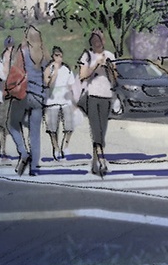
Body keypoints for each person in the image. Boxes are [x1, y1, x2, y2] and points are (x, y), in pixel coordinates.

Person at [77, 30, 118, 178]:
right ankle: (101, 159)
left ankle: (95, 164)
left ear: (103, 41)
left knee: (102, 130)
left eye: (99, 39)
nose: (96, 42)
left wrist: (110, 68)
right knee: (96, 129)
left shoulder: (110, 55)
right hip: (92, 95)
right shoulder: (87, 56)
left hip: (106, 96)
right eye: (94, 40)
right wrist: (95, 66)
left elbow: (115, 79)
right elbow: (82, 75)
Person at [13, 26, 48, 176]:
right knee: (35, 134)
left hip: (25, 94)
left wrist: (23, 42)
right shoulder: (44, 55)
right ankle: (34, 167)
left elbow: (14, 71)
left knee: (12, 123)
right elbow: (48, 79)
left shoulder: (23, 52)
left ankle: (23, 151)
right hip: (39, 97)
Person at [44, 46, 79, 161]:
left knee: (69, 126)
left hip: (65, 101)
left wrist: (73, 101)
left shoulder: (67, 69)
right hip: (52, 102)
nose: (59, 58)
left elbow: (71, 86)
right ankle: (56, 147)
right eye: (56, 56)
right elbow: (47, 84)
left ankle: (65, 146)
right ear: (53, 56)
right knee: (52, 128)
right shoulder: (49, 69)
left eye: (60, 56)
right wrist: (55, 72)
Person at [0, 36, 17, 160]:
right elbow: (3, 77)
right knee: (1, 123)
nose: (10, 50)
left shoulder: (16, 62)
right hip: (3, 96)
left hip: (14, 96)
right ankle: (2, 148)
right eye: (8, 48)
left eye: (12, 47)